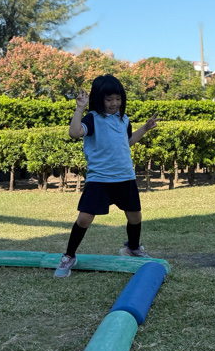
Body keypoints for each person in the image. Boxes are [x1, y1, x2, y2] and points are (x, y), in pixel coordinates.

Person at [55, 75, 158, 278]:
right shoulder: (93, 118)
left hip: (125, 176)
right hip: (99, 179)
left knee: (135, 216)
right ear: (99, 99)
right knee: (84, 219)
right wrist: (79, 108)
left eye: (118, 99)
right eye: (109, 99)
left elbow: (127, 142)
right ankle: (69, 256)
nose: (114, 103)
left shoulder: (123, 119)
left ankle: (133, 248)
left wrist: (145, 128)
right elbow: (74, 132)